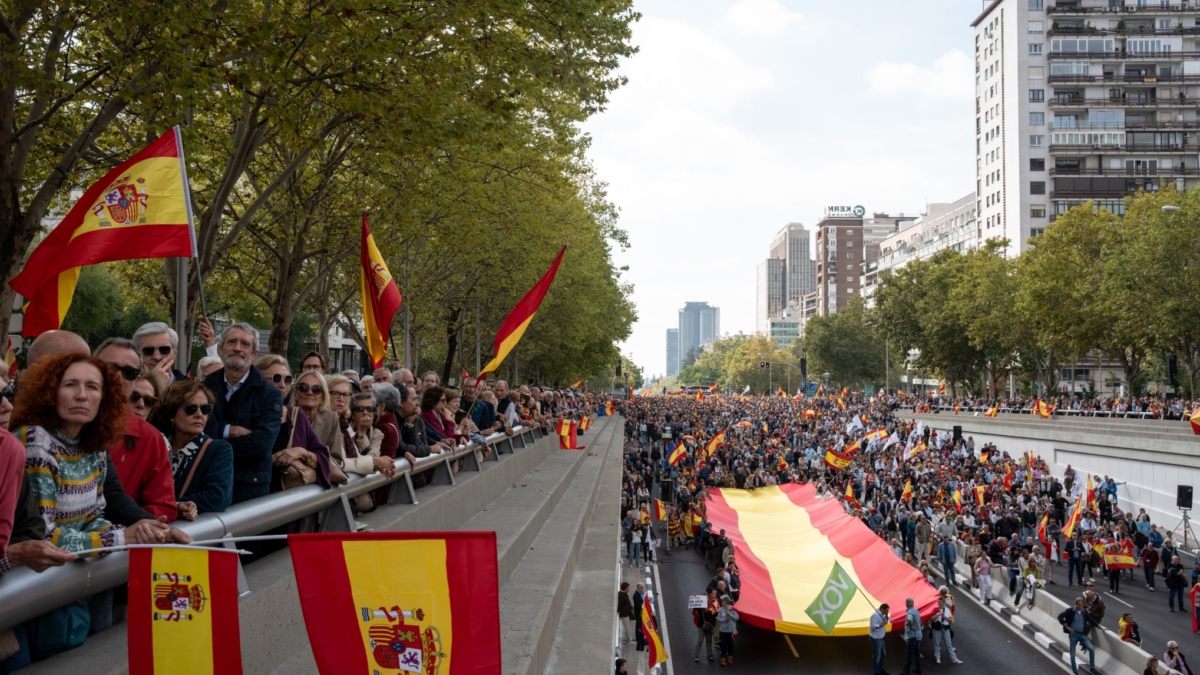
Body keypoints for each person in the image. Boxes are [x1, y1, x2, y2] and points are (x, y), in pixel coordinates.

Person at [12, 353, 169, 554]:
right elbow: (42, 536)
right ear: (50, 392)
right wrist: (121, 537)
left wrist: (137, 532)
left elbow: (91, 519)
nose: (82, 395)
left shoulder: (94, 443)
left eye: (92, 387)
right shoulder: (36, 439)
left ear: (104, 398)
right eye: (70, 385)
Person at [94, 337, 178, 521]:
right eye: (110, 368)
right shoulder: (62, 422)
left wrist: (132, 528)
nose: (118, 376)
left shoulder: (151, 438)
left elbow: (162, 505)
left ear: (135, 381)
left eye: (129, 372)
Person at [203, 324, 283, 504]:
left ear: (254, 354)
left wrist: (213, 443)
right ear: (220, 349)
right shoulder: (205, 387)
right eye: (232, 342)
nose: (237, 348)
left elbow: (261, 447)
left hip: (249, 492)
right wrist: (227, 430)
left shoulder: (270, 395)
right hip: (207, 486)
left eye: (245, 344)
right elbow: (196, 435)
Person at [148, 381, 234, 518]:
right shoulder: (158, 446)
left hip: (193, 534)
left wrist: (173, 506)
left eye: (205, 409)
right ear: (172, 414)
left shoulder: (218, 449)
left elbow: (218, 497)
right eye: (191, 408)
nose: (199, 414)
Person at [1057, 597, 1100, 675]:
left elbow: (1091, 619)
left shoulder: (1084, 611)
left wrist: (1099, 627)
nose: (1080, 606)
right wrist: (1066, 626)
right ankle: (1075, 670)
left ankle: (1092, 668)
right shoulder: (1070, 611)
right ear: (1075, 604)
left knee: (1091, 649)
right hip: (1073, 635)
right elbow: (1060, 617)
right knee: (1073, 653)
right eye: (1079, 605)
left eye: (1082, 605)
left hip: (1082, 635)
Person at [930, 592, 962, 665]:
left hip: (945, 628)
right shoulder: (935, 609)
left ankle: (954, 658)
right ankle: (937, 657)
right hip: (937, 628)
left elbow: (951, 620)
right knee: (937, 644)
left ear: (944, 603)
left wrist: (945, 617)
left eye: (941, 603)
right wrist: (938, 614)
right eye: (938, 602)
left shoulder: (947, 610)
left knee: (949, 644)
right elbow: (931, 619)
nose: (939, 604)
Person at [693, 588, 718, 663]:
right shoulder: (699, 607)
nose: (706, 600)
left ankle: (709, 654)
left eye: (706, 598)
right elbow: (695, 609)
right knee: (700, 640)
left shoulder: (711, 606)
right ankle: (696, 655)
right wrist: (695, 599)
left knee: (709, 640)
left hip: (710, 626)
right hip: (701, 626)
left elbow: (714, 615)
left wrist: (716, 611)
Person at [716, 595, 739, 666]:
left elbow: (737, 618)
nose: (721, 602)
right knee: (723, 645)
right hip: (723, 631)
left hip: (731, 631)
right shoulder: (721, 610)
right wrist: (724, 620)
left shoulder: (733, 609)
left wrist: (730, 615)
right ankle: (723, 658)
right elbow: (718, 619)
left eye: (722, 601)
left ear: (726, 601)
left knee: (730, 645)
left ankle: (730, 657)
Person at [902, 596, 922, 675]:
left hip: (912, 635)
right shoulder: (916, 611)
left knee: (909, 653)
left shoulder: (910, 612)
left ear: (906, 604)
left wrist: (911, 626)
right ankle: (918, 668)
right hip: (918, 635)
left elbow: (910, 619)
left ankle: (906, 670)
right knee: (917, 652)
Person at [869, 603, 890, 675]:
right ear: (882, 609)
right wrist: (882, 624)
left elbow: (887, 620)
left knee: (883, 654)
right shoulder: (875, 615)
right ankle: (876, 671)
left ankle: (881, 668)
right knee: (877, 655)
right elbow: (874, 626)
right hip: (875, 638)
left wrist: (886, 615)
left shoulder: (883, 614)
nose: (887, 612)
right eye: (886, 611)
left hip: (880, 638)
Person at [631, 582, 646, 651]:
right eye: (641, 587)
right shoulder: (636, 595)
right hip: (638, 613)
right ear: (637, 588)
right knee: (638, 626)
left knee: (642, 625)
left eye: (643, 587)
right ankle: (638, 638)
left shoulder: (642, 593)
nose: (642, 589)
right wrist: (644, 605)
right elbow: (638, 604)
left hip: (643, 613)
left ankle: (642, 636)